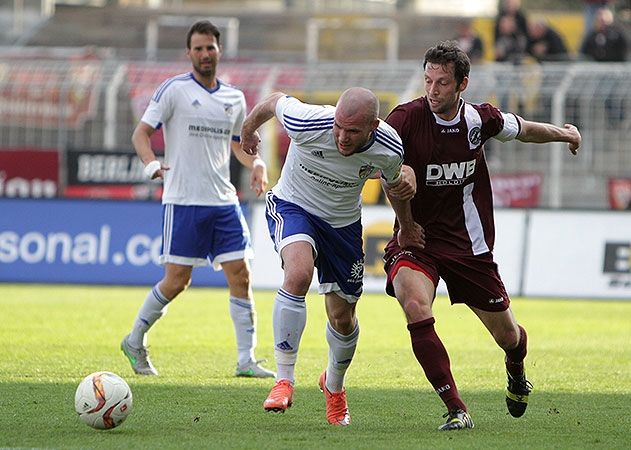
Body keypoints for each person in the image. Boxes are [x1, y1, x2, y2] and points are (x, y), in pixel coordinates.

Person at [382, 41, 581, 431]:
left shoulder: (479, 120)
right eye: (428, 80)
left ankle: (516, 369)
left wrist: (565, 134)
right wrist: (405, 223)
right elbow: (388, 175)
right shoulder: (404, 120)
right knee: (415, 304)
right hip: (417, 241)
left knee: (509, 337)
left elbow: (524, 130)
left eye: (442, 82)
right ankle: (456, 408)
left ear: (462, 85)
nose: (432, 89)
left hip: (469, 246)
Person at [240, 88, 416, 425]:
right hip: (294, 206)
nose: (342, 137)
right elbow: (274, 100)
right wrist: (248, 130)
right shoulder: (307, 121)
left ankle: (333, 387)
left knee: (342, 317)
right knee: (299, 273)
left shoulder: (389, 148)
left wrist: (406, 226)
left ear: (373, 126)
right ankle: (284, 380)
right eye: (338, 127)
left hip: (343, 225)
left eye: (352, 131)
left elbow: (395, 186)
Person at [120, 20, 275, 379]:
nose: (206, 54)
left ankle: (245, 359)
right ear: (189, 53)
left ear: (219, 51)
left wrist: (258, 163)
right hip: (184, 200)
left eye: (211, 47)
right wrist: (150, 164)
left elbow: (238, 144)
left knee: (242, 274)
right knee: (177, 281)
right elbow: (141, 134)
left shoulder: (234, 98)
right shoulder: (173, 90)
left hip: (223, 201)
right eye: (199, 48)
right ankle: (134, 339)